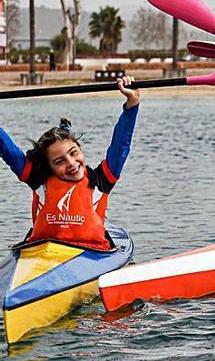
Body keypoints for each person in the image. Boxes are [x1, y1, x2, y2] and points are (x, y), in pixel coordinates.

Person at [0, 76, 140, 250]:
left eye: (73, 153)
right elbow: (7, 149)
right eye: (59, 161)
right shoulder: (39, 179)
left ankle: (65, 128)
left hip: (92, 252)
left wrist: (131, 104)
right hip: (42, 250)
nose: (72, 163)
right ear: (49, 166)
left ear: (80, 148)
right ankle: (64, 129)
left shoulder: (100, 180)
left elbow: (121, 144)